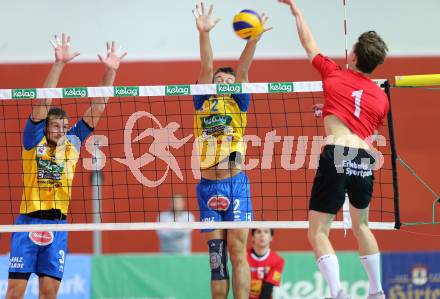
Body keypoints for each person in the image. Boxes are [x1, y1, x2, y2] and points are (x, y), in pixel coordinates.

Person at [278, 1, 388, 299]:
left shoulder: (333, 74)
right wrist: (329, 108)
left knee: (318, 231)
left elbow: (308, 43)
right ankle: (377, 291)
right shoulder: (381, 97)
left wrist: (297, 12)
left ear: (352, 55)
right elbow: (360, 121)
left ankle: (337, 292)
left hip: (336, 152)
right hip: (364, 157)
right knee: (362, 226)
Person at [6, 34, 126, 299]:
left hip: (58, 225)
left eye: (63, 126)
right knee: (15, 293)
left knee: (49, 293)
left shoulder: (72, 143)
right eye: (55, 126)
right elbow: (42, 104)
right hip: (28, 223)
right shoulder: (32, 141)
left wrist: (110, 71)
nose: (60, 131)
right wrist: (59, 64)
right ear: (46, 127)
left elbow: (98, 105)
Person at [191, 2, 270, 299]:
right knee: (216, 260)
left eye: (228, 80)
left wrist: (253, 39)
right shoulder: (203, 102)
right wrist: (204, 33)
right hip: (208, 186)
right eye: (218, 80)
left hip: (236, 183)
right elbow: (206, 66)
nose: (223, 81)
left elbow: (243, 68)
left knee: (238, 252)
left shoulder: (239, 101)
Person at [248, 229, 285, 299]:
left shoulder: (278, 261)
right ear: (252, 237)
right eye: (259, 232)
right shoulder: (243, 257)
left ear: (271, 238)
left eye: (266, 232)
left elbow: (269, 287)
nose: (262, 235)